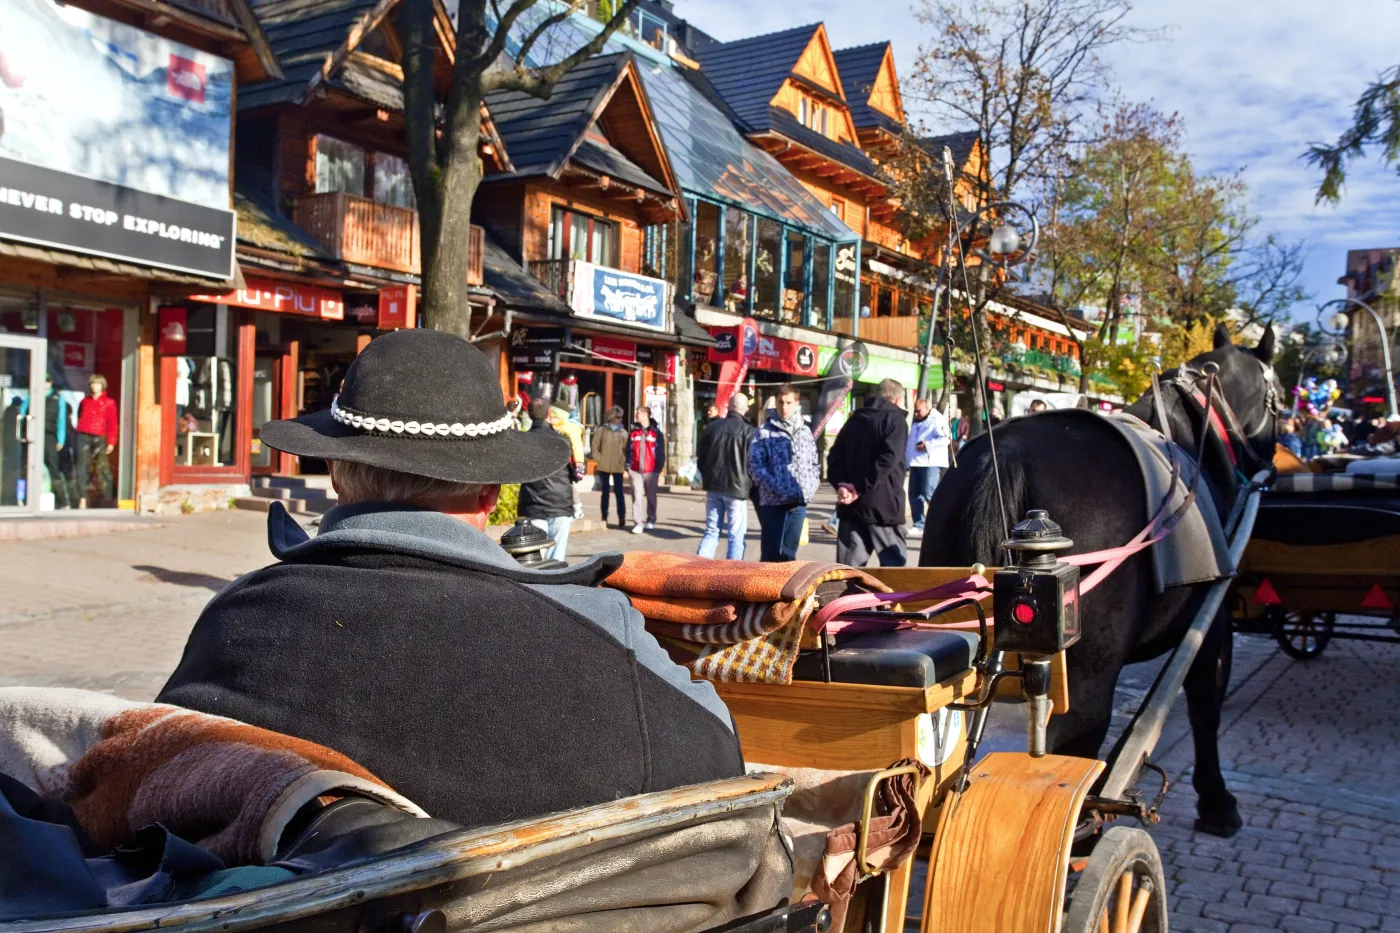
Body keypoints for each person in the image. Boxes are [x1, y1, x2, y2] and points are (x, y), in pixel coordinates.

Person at [157, 330, 742, 830]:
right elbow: (721, 760)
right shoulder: (600, 631)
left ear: (335, 474)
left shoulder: (235, 622)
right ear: (490, 492)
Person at [828, 378, 909, 568]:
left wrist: (842, 486)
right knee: (895, 574)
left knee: (849, 574)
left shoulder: (855, 418)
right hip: (884, 508)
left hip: (853, 507)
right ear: (897, 400)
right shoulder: (895, 419)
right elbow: (889, 459)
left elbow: (834, 456)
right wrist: (857, 487)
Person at [747, 384, 819, 562]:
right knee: (771, 557)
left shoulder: (805, 431)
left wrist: (809, 488)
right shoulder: (764, 433)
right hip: (772, 503)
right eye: (780, 402)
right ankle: (765, 590)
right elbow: (755, 467)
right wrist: (777, 488)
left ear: (796, 403)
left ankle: (786, 590)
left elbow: (813, 463)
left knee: (789, 556)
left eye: (788, 402)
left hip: (798, 502)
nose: (784, 407)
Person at [519, 397, 579, 561]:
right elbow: (573, 471)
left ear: (529, 415)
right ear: (549, 414)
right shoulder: (562, 439)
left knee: (536, 554)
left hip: (533, 501)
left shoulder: (522, 440)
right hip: (560, 501)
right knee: (556, 555)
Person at [696, 393, 754, 560]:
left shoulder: (712, 428)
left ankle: (697, 570)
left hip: (714, 486)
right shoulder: (749, 432)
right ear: (746, 409)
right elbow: (753, 463)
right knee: (735, 536)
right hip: (738, 490)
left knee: (712, 531)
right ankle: (731, 577)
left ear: (728, 406)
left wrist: (707, 478)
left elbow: (701, 458)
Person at [19, 373, 73, 509]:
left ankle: (63, 502)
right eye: (42, 381)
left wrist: (60, 440)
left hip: (49, 436)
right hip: (32, 435)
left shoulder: (57, 399)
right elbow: (22, 414)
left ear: (51, 383)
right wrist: (22, 434)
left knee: (54, 469)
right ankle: (23, 499)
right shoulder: (32, 396)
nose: (44, 384)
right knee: (27, 468)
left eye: (47, 381)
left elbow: (61, 421)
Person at [905, 396, 950, 534]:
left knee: (929, 493)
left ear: (926, 407)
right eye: (915, 412)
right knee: (914, 494)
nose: (917, 414)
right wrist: (906, 461)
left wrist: (927, 445)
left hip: (931, 462)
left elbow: (946, 439)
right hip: (916, 463)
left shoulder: (937, 420)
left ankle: (942, 522)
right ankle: (919, 524)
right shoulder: (916, 423)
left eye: (919, 411)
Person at [75, 373, 118, 507]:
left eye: (98, 384)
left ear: (102, 386)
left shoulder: (109, 402)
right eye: (93, 384)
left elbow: (112, 423)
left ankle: (108, 498)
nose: (95, 386)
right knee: (81, 467)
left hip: (99, 436)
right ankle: (82, 498)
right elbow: (79, 415)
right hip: (83, 435)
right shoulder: (85, 401)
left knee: (102, 468)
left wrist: (111, 441)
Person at [626, 406, 665, 534]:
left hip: (651, 470)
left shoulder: (656, 432)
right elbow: (627, 449)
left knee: (651, 496)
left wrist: (658, 469)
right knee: (636, 497)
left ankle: (651, 519)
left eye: (637, 413)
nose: (635, 415)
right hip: (635, 470)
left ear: (645, 414)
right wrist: (628, 466)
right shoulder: (633, 432)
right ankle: (638, 523)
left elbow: (660, 452)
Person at [589, 405, 628, 528]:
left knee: (619, 492)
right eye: (618, 417)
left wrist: (624, 463)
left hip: (618, 466)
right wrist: (599, 459)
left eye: (622, 417)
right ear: (612, 417)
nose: (621, 419)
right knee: (605, 492)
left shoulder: (623, 433)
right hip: (604, 466)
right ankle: (604, 515)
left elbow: (627, 450)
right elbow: (594, 445)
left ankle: (621, 517)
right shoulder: (602, 430)